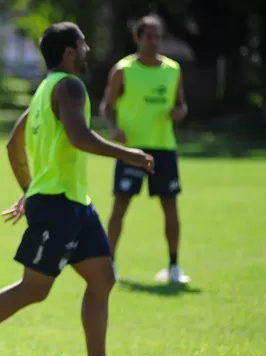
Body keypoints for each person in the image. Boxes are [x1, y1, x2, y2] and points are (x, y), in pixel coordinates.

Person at [0, 23, 152, 356]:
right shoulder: (69, 86)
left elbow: (13, 146)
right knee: (34, 289)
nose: (87, 49)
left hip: (74, 204)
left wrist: (29, 189)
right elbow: (79, 137)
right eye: (83, 43)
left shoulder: (43, 91)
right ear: (69, 51)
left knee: (102, 279)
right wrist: (128, 154)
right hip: (57, 206)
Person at [101, 15, 190, 283]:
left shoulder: (173, 69)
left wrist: (179, 112)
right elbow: (106, 107)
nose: (153, 41)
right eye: (148, 36)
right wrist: (113, 128)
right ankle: (110, 264)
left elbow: (182, 104)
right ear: (137, 38)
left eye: (157, 36)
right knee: (120, 205)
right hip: (132, 150)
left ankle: (174, 267)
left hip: (164, 148)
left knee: (170, 207)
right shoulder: (123, 70)